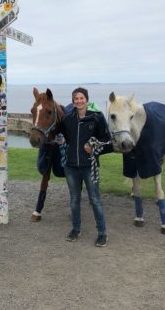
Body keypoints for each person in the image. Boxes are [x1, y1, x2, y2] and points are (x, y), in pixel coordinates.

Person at [58, 87, 113, 247]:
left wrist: (92, 144)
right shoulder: (67, 119)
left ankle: (102, 233)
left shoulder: (97, 118)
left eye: (82, 98)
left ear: (87, 100)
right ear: (73, 101)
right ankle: (76, 229)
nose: (79, 101)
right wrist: (60, 139)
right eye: (76, 99)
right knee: (74, 200)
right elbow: (63, 137)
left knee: (95, 199)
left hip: (90, 166)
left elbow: (107, 140)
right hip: (71, 166)